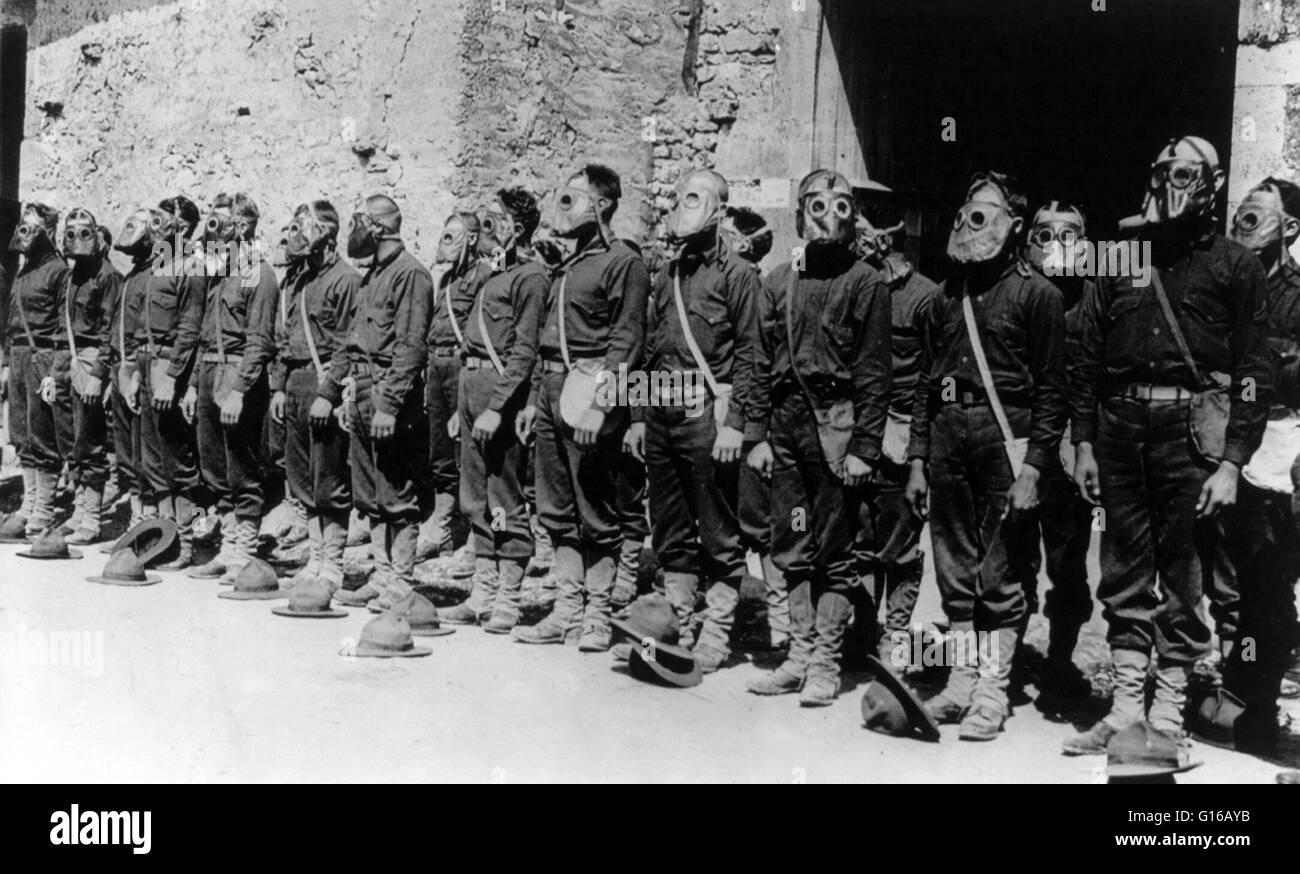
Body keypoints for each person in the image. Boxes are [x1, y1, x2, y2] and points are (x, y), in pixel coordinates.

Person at [1064, 136, 1272, 753]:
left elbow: (1254, 371)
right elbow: (1085, 360)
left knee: (1183, 573)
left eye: (1187, 174)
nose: (1173, 186)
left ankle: (1170, 713)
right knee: (1124, 568)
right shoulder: (1117, 257)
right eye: (1164, 173)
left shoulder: (1236, 265)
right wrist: (1083, 444)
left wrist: (1233, 461)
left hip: (1192, 437)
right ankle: (1126, 708)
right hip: (1122, 429)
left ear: (1213, 182)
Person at [905, 171, 1068, 740]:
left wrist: (1035, 468)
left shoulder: (1038, 295)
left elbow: (1053, 390)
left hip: (1007, 440)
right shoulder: (947, 296)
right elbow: (928, 385)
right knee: (954, 568)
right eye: (965, 211)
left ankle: (993, 689)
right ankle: (960, 678)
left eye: (985, 213)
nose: (969, 223)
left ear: (1014, 225)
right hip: (950, 436)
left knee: (1000, 571)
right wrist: (920, 460)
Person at [745, 168, 891, 705]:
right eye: (816, 206)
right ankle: (798, 654)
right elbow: (758, 363)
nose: (828, 216)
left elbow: (876, 373)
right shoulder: (779, 280)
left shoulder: (866, 281)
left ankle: (826, 663)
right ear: (800, 213)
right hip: (786, 433)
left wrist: (865, 448)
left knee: (836, 551)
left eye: (841, 206)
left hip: (836, 433)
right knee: (792, 545)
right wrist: (756, 434)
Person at [511, 164, 650, 651]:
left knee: (595, 508)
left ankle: (597, 614)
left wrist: (600, 406)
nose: (561, 208)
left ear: (603, 205)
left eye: (573, 198)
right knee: (556, 508)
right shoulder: (568, 266)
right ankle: (566, 610)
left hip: (588, 394)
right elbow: (547, 341)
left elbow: (627, 340)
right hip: (550, 391)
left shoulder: (622, 262)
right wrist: (531, 400)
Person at [626, 168, 759, 673]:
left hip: (707, 414)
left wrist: (736, 424)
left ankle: (718, 629)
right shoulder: (668, 272)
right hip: (661, 414)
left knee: (720, 531)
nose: (683, 205)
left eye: (696, 197)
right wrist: (638, 416)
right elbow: (649, 347)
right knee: (671, 528)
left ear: (720, 209)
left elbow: (750, 355)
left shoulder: (738, 276)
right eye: (681, 196)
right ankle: (677, 620)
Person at [1199, 177, 1300, 752]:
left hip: (1273, 451)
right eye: (1238, 215)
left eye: (1255, 217)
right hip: (1214, 439)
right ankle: (1227, 688)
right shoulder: (1217, 280)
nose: (1241, 225)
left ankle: (1251, 699)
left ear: (1288, 228)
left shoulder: (1294, 294)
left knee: (1264, 581)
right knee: (1217, 570)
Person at [437, 188, 547, 631]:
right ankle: (481, 590)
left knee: (504, 496)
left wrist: (498, 407)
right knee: (474, 497)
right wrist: (463, 404)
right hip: (471, 390)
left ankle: (508, 597)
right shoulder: (489, 275)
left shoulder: (531, 277)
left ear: (516, 230)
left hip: (501, 398)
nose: (485, 225)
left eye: (495, 219)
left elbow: (524, 350)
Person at [324, 195, 434, 611]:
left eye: (360, 221)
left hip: (391, 393)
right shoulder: (371, 276)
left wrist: (388, 404)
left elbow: (410, 348)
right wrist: (345, 394)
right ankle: (382, 573)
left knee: (397, 493)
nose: (354, 230)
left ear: (380, 227)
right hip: (363, 389)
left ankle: (400, 584)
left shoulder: (411, 275)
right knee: (370, 493)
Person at [853, 191, 938, 667]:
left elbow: (933, 380)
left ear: (885, 240)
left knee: (901, 545)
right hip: (858, 433)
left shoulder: (926, 297)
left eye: (862, 232)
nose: (854, 241)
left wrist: (921, 456)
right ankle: (863, 631)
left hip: (902, 438)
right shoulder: (858, 287)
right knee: (860, 540)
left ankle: (898, 635)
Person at [1022, 200, 1097, 708]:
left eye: (1068, 233)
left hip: (1077, 444)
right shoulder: (1018, 293)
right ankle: (1002, 659)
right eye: (1045, 234)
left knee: (1069, 561)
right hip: (1024, 443)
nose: (1057, 244)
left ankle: (1059, 660)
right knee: (1011, 553)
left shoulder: (1101, 298)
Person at [183, 193, 279, 582]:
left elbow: (260, 341)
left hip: (237, 375)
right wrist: (191, 385)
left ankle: (244, 546)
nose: (212, 228)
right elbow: (204, 334)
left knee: (242, 465)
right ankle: (228, 544)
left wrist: (240, 389)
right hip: (208, 373)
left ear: (240, 228)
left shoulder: (259, 274)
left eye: (220, 222)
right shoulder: (217, 274)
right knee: (214, 465)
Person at [267, 201, 358, 595]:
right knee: (302, 478)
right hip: (297, 384)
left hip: (324, 385)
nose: (296, 236)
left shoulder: (346, 280)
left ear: (324, 232)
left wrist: (329, 391)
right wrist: (278, 387)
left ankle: (333, 563)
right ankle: (315, 557)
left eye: (304, 228)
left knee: (329, 479)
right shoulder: (301, 281)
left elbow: (347, 344)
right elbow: (285, 340)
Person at [124, 197, 208, 569]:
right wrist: (137, 373)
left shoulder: (192, 267)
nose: (156, 227)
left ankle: (186, 543)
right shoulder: (159, 264)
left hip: (169, 366)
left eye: (164, 221)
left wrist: (171, 378)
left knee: (177, 459)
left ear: (184, 228)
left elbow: (190, 329)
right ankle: (164, 537)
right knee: (152, 460)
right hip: (147, 362)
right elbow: (144, 324)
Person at [720, 206, 786, 648]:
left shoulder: (755, 289)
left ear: (743, 245)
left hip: (745, 426)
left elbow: (758, 365)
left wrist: (752, 431)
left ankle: (780, 626)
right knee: (724, 522)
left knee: (762, 527)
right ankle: (725, 619)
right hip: (717, 423)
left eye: (725, 233)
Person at [422, 211, 491, 564]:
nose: (444, 243)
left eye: (453, 236)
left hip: (464, 368)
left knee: (471, 454)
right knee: (441, 453)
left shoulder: (485, 277)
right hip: (437, 367)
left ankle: (482, 535)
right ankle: (443, 525)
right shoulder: (446, 280)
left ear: (473, 239)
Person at [53, 208, 119, 544]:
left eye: (85, 232)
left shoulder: (107, 276)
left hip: (90, 361)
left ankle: (92, 517)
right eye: (71, 232)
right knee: (69, 439)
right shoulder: (71, 275)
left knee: (90, 442)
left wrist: (98, 375)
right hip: (67, 360)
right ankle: (79, 508)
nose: (77, 238)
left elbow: (109, 331)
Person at [4, 203, 70, 537]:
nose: (25, 233)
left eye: (34, 227)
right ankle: (28, 504)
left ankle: (45, 506)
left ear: (48, 232)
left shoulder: (59, 271)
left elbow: (63, 327)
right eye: (23, 226)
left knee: (42, 434)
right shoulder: (24, 269)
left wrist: (54, 373)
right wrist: (5, 365)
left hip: (41, 356)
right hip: (17, 356)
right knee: (20, 434)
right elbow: (12, 321)